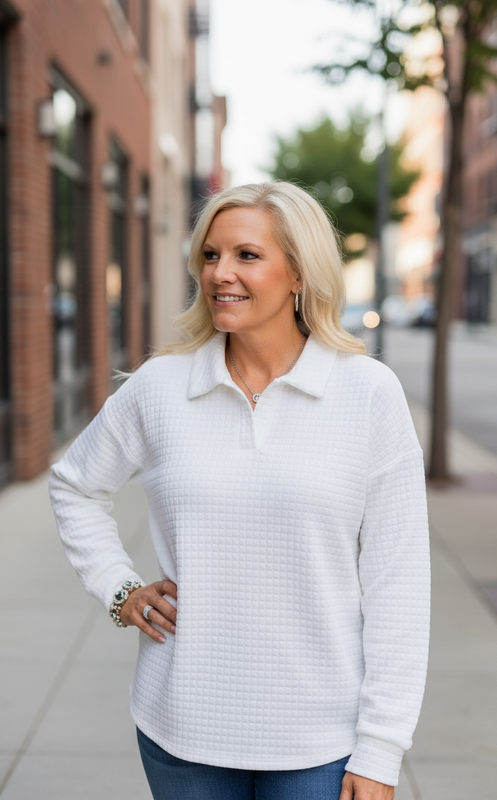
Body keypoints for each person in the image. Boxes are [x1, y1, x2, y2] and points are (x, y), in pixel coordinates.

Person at [49, 181, 430, 800]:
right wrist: (118, 588)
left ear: (300, 274)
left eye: (247, 256)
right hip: (182, 729)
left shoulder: (367, 394)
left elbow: (399, 583)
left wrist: (382, 747)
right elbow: (74, 485)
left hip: (320, 740)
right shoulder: (161, 387)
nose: (219, 273)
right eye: (210, 255)